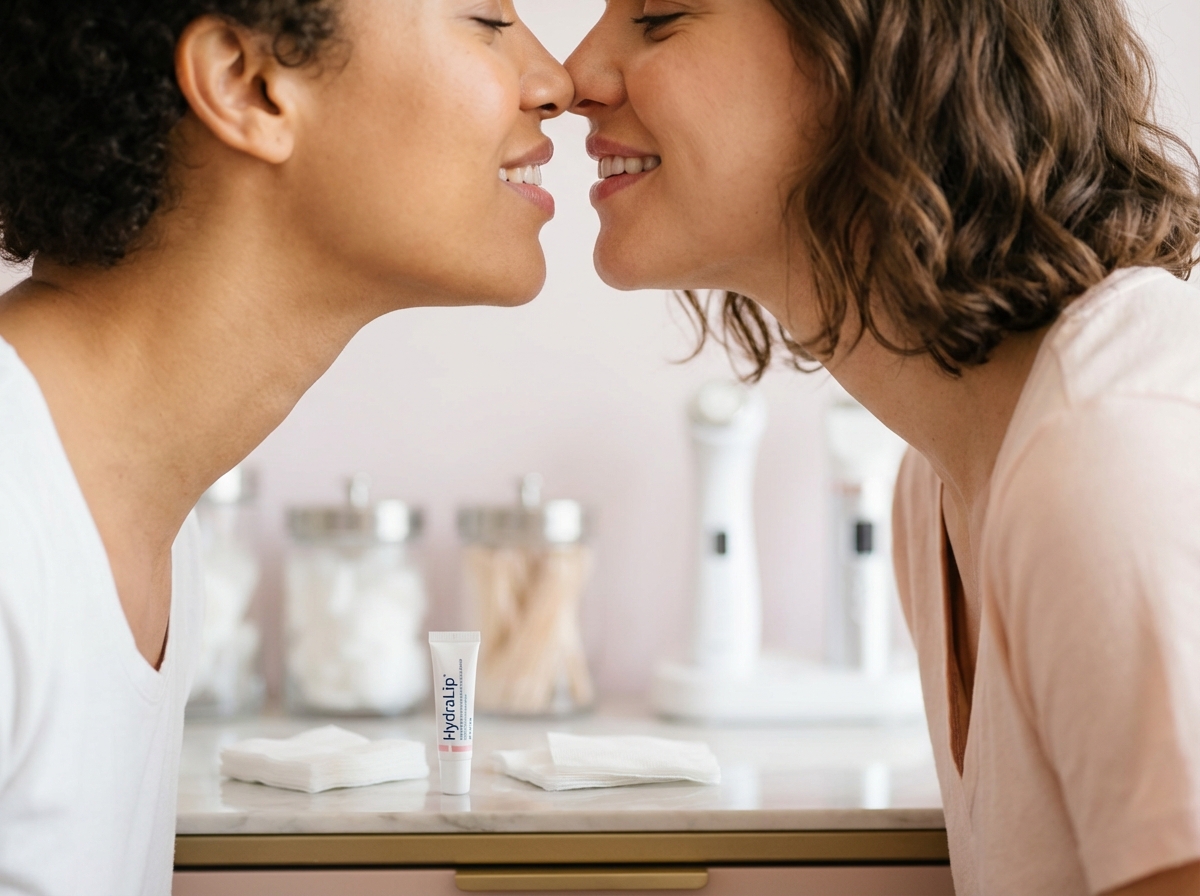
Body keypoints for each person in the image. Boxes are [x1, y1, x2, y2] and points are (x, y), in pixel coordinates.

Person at [565, 2, 1200, 894]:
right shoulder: (934, 488)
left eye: (661, 15)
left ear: (880, 53)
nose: (576, 76)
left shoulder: (1112, 455)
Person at [0, 1, 571, 892]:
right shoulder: (14, 518)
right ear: (250, 86)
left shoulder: (148, 523)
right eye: (486, 18)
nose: (556, 82)